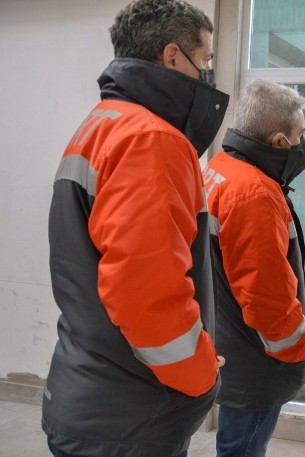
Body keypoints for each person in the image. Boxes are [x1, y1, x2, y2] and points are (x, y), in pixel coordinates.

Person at [43, 1, 228, 456]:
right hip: (131, 417)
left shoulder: (101, 124)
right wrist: (203, 374)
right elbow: (147, 295)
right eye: (204, 61)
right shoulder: (153, 140)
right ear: (171, 57)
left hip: (94, 394)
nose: (207, 74)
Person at [203, 80, 305, 457]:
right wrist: (298, 348)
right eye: (299, 136)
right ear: (280, 141)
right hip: (256, 362)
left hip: (228, 343)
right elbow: (266, 294)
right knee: (242, 449)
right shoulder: (254, 193)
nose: (303, 144)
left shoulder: (221, 168)